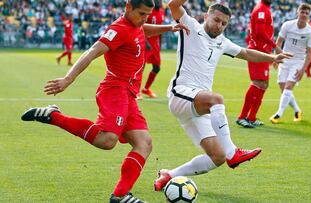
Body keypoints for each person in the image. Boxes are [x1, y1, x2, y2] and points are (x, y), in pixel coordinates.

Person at [21, 0, 189, 202]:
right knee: (107, 140)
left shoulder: (135, 24)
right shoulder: (118, 29)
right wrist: (68, 79)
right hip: (115, 90)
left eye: (147, 15)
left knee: (144, 143)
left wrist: (169, 27)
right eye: (141, 14)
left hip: (128, 94)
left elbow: (143, 29)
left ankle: (120, 196)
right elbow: (92, 52)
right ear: (128, 7)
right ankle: (53, 117)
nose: (144, 19)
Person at [154, 0, 292, 191]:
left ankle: (169, 174)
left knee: (217, 157)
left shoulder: (222, 42)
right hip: (181, 94)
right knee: (216, 99)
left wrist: (273, 58)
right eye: (216, 20)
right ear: (206, 17)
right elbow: (173, 6)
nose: (219, 26)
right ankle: (233, 152)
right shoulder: (191, 26)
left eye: (223, 23)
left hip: (197, 106)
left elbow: (246, 53)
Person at [236, 0, 282, 128]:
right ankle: (242, 117)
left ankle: (251, 117)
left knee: (264, 84)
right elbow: (260, 31)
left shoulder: (265, 8)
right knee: (257, 82)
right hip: (258, 51)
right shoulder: (261, 9)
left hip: (264, 50)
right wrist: (275, 46)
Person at [270, 3, 311, 124]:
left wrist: (303, 69)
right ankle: (297, 110)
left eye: (307, 13)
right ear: (298, 12)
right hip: (284, 59)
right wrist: (276, 57)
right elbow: (278, 42)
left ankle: (278, 114)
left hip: (298, 62)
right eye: (302, 12)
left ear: (309, 15)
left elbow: (310, 52)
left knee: (288, 87)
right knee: (283, 88)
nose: (304, 15)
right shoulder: (287, 25)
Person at [141, 0, 165, 98]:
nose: (159, 2)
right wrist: (146, 42)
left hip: (155, 44)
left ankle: (146, 89)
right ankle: (135, 91)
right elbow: (141, 27)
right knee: (140, 68)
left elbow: (160, 28)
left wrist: (160, 42)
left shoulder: (162, 11)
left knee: (157, 68)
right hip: (146, 41)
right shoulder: (148, 11)